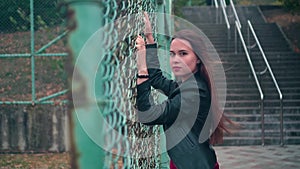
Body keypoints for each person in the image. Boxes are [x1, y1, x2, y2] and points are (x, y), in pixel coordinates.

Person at [135, 13, 232, 169]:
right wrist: (150, 39)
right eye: (172, 54)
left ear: (198, 58)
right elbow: (158, 80)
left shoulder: (194, 93)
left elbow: (148, 115)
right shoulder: (189, 85)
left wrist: (142, 69)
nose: (176, 60)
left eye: (183, 54)